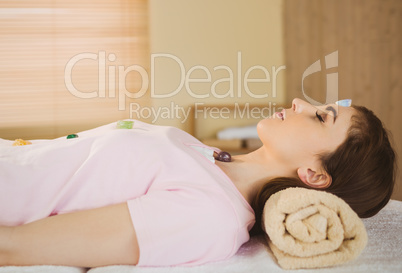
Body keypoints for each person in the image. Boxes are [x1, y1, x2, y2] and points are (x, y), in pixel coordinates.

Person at [0, 98, 396, 267]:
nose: (300, 104)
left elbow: (14, 246)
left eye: (320, 117)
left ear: (314, 175)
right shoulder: (209, 157)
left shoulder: (211, 216)